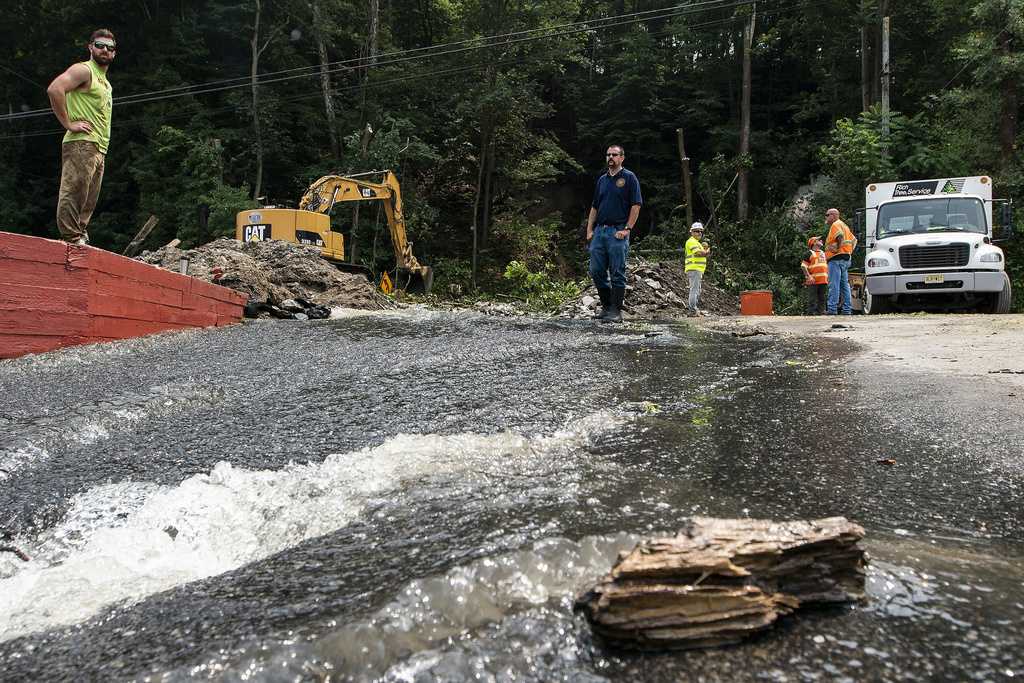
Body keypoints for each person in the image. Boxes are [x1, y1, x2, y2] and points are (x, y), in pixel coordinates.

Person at [47, 29, 116, 246]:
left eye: (110, 47)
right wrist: (68, 123)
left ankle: (79, 235)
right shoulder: (84, 70)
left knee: (88, 197)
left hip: (99, 146)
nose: (104, 50)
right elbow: (55, 89)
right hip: (81, 143)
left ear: (114, 53)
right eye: (100, 45)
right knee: (74, 191)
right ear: (90, 47)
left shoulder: (105, 82)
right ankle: (71, 237)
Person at [586, 144, 642, 322]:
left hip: (618, 230)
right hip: (600, 231)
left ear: (622, 158)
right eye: (608, 155)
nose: (611, 157)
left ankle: (616, 311)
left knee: (617, 271)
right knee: (596, 270)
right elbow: (595, 206)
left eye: (615, 155)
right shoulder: (602, 180)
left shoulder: (629, 178)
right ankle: (606, 307)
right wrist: (589, 229)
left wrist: (627, 229)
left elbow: (636, 205)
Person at [824, 207, 857, 315]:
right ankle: (847, 310)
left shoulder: (835, 224)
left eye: (827, 215)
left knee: (834, 285)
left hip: (836, 259)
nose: (826, 217)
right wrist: (848, 252)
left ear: (833, 215)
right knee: (844, 285)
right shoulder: (844, 225)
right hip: (845, 259)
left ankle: (832, 309)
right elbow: (854, 240)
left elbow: (840, 237)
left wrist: (837, 249)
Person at [684, 222, 711, 316]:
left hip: (697, 269)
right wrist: (706, 252)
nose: (699, 233)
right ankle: (692, 310)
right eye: (696, 231)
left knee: (696, 290)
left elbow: (701, 253)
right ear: (691, 232)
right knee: (694, 290)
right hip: (694, 269)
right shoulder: (691, 241)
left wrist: (705, 252)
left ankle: (694, 309)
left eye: (700, 231)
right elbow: (697, 253)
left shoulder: (697, 243)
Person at [801, 236, 829, 315]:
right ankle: (810, 314)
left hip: (823, 280)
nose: (821, 240)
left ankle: (820, 313)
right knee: (812, 298)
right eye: (818, 240)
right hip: (813, 280)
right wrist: (808, 276)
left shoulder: (823, 253)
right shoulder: (809, 253)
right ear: (813, 243)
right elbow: (803, 266)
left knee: (822, 298)